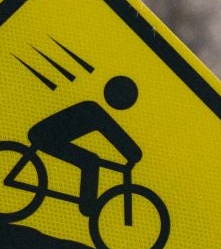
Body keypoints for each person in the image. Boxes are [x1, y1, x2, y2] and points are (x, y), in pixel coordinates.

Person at [26, 75, 142, 214]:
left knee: (91, 159)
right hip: (43, 137)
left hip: (47, 136)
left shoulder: (92, 109)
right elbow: (112, 132)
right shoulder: (93, 111)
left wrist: (132, 155)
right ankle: (88, 207)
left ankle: (87, 205)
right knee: (90, 160)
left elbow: (113, 133)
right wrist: (133, 154)